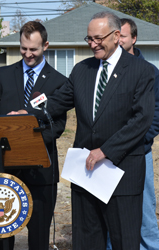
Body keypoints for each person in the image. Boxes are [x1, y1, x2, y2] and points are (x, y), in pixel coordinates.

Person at [44, 12, 155, 250]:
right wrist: (26, 113)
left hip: (122, 172)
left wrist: (105, 150)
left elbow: (142, 119)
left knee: (124, 241)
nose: (93, 43)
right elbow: (56, 103)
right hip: (87, 174)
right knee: (86, 241)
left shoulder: (142, 70)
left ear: (116, 36)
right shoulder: (82, 70)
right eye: (89, 38)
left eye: (98, 38)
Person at [0, 21, 67, 250]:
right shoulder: (2, 75)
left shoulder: (59, 82)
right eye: (23, 48)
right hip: (3, 167)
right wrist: (8, 133)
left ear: (45, 46)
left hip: (41, 171)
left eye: (34, 49)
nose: (28, 54)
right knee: (1, 236)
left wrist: (25, 139)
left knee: (39, 238)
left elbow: (57, 126)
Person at [106, 18, 159, 250]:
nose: (118, 40)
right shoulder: (105, 68)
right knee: (110, 209)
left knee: (145, 209)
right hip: (107, 155)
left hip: (139, 152)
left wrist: (138, 143)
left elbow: (155, 116)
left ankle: (149, 247)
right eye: (115, 36)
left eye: (123, 36)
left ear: (133, 39)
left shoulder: (149, 72)